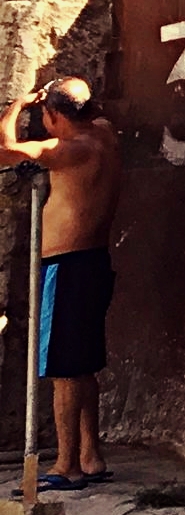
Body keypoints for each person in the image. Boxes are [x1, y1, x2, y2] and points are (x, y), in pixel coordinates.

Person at [5, 73, 123, 490]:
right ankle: (91, 455)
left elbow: (4, 149)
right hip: (91, 262)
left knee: (63, 372)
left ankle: (65, 464)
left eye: (47, 115)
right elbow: (96, 112)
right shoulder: (104, 136)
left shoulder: (68, 149)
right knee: (83, 365)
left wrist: (19, 106)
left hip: (67, 266)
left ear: (54, 115)